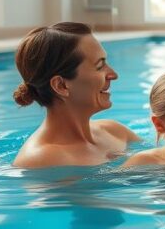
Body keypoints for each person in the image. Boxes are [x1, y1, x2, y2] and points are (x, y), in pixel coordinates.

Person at [12, 22, 139, 168]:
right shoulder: (42, 159)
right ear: (61, 86)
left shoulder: (116, 131)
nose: (113, 75)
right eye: (99, 66)